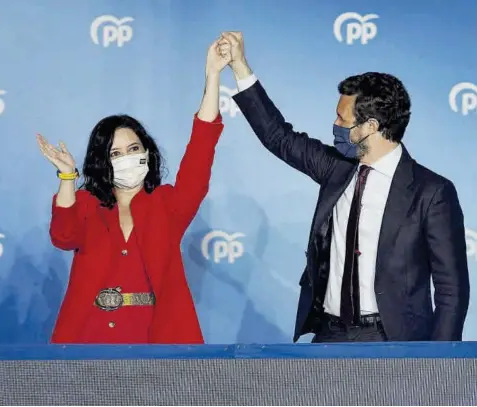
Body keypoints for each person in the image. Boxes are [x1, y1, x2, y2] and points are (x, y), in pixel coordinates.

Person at [220, 32, 470, 342]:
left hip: (393, 340)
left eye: (342, 118)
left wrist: (438, 363)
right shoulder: (335, 167)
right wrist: (240, 66)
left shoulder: (432, 192)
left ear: (371, 127)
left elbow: (451, 290)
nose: (335, 125)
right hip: (329, 334)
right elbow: (278, 137)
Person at [36, 38, 231, 344]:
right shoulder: (86, 203)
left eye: (133, 148)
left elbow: (201, 149)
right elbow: (64, 236)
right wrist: (67, 177)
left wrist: (213, 75)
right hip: (88, 337)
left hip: (157, 338)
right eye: (115, 153)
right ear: (102, 161)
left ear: (146, 153)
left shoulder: (168, 204)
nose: (126, 158)